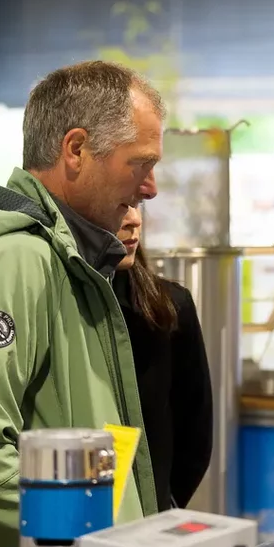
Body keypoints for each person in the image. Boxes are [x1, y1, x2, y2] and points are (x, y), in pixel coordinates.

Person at [0, 61, 164, 547]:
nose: (150, 188)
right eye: (139, 164)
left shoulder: (71, 264)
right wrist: (83, 543)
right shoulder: (14, 262)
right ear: (76, 150)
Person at [111, 202, 214, 510]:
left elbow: (195, 429)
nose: (134, 219)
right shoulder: (58, 303)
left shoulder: (168, 307)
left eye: (136, 205)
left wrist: (161, 504)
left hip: (149, 513)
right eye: (121, 205)